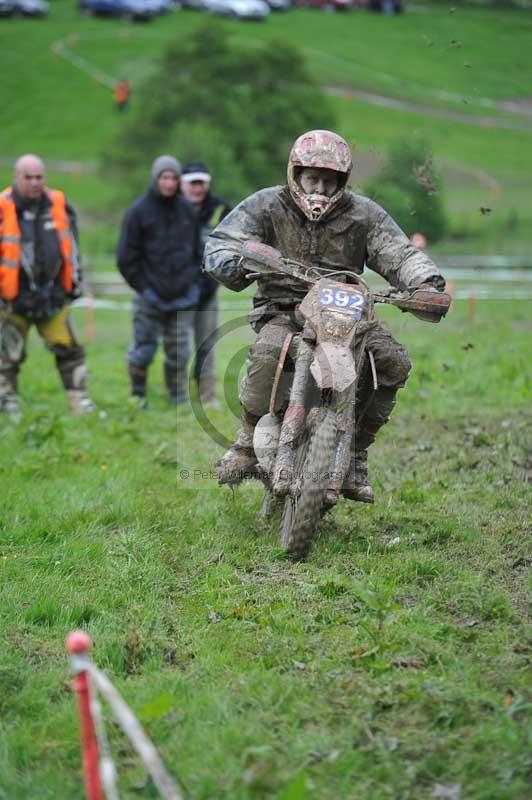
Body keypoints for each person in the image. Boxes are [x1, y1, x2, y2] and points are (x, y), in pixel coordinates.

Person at [204, 129, 446, 502]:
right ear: (296, 174)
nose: (319, 187)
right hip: (284, 307)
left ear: (342, 182)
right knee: (269, 353)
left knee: (391, 362)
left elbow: (399, 252)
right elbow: (224, 240)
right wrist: (234, 262)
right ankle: (246, 444)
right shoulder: (267, 205)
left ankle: (356, 453)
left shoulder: (363, 214)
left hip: (347, 314)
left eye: (329, 181)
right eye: (312, 178)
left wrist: (426, 284)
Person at [0, 154, 94, 417]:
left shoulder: (59, 204)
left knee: (70, 351)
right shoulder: (3, 206)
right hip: (12, 300)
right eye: (27, 177)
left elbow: (72, 246)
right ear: (16, 177)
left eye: (39, 177)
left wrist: (74, 284)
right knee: (7, 357)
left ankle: (80, 404)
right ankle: (7, 405)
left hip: (53, 298)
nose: (34, 182)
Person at [117, 155, 201, 406]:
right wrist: (143, 288)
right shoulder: (138, 212)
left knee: (179, 353)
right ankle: (138, 395)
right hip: (148, 297)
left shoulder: (187, 210)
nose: (169, 183)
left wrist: (195, 284)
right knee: (143, 350)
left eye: (173, 178)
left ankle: (177, 398)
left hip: (183, 297)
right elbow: (125, 258)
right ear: (155, 179)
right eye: (164, 177)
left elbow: (199, 252)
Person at [180, 161, 231, 406]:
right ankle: (177, 394)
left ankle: (207, 395)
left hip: (208, 290)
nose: (197, 188)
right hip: (178, 291)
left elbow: (230, 245)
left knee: (207, 343)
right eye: (192, 183)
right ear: (183, 184)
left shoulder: (220, 208)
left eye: (201, 183)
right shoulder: (173, 208)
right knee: (177, 345)